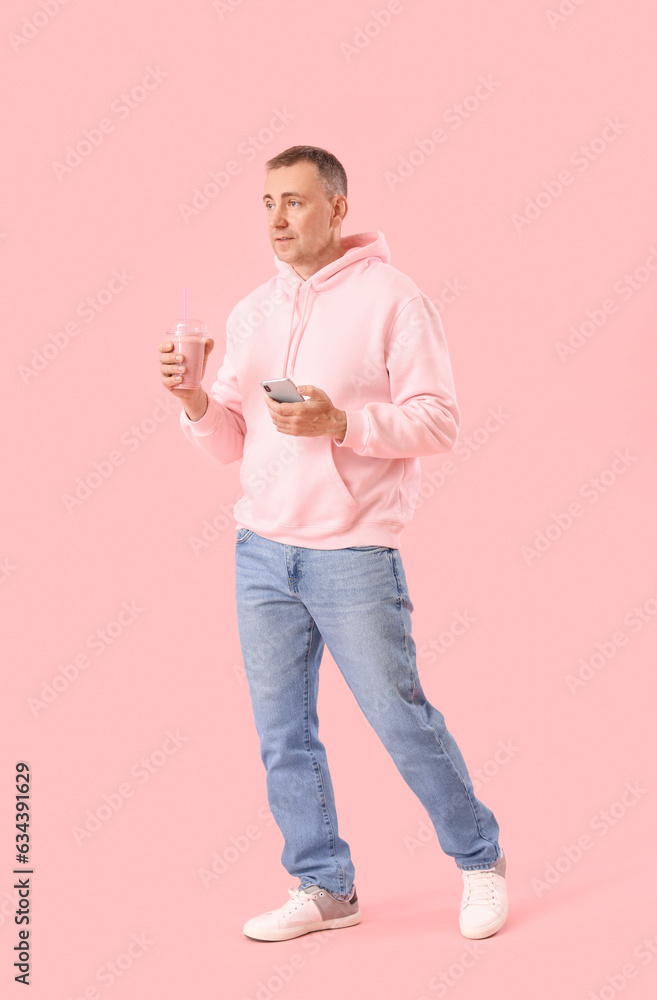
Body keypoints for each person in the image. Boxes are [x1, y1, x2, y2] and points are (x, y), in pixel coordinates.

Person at [157, 145, 508, 942]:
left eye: (296, 202)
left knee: (398, 718)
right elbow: (228, 441)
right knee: (282, 732)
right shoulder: (252, 311)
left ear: (338, 209)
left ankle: (479, 861)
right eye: (267, 203)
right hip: (261, 554)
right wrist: (190, 401)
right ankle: (323, 886)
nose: (277, 220)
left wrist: (340, 422)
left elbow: (438, 420)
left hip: (352, 550)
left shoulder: (395, 300)